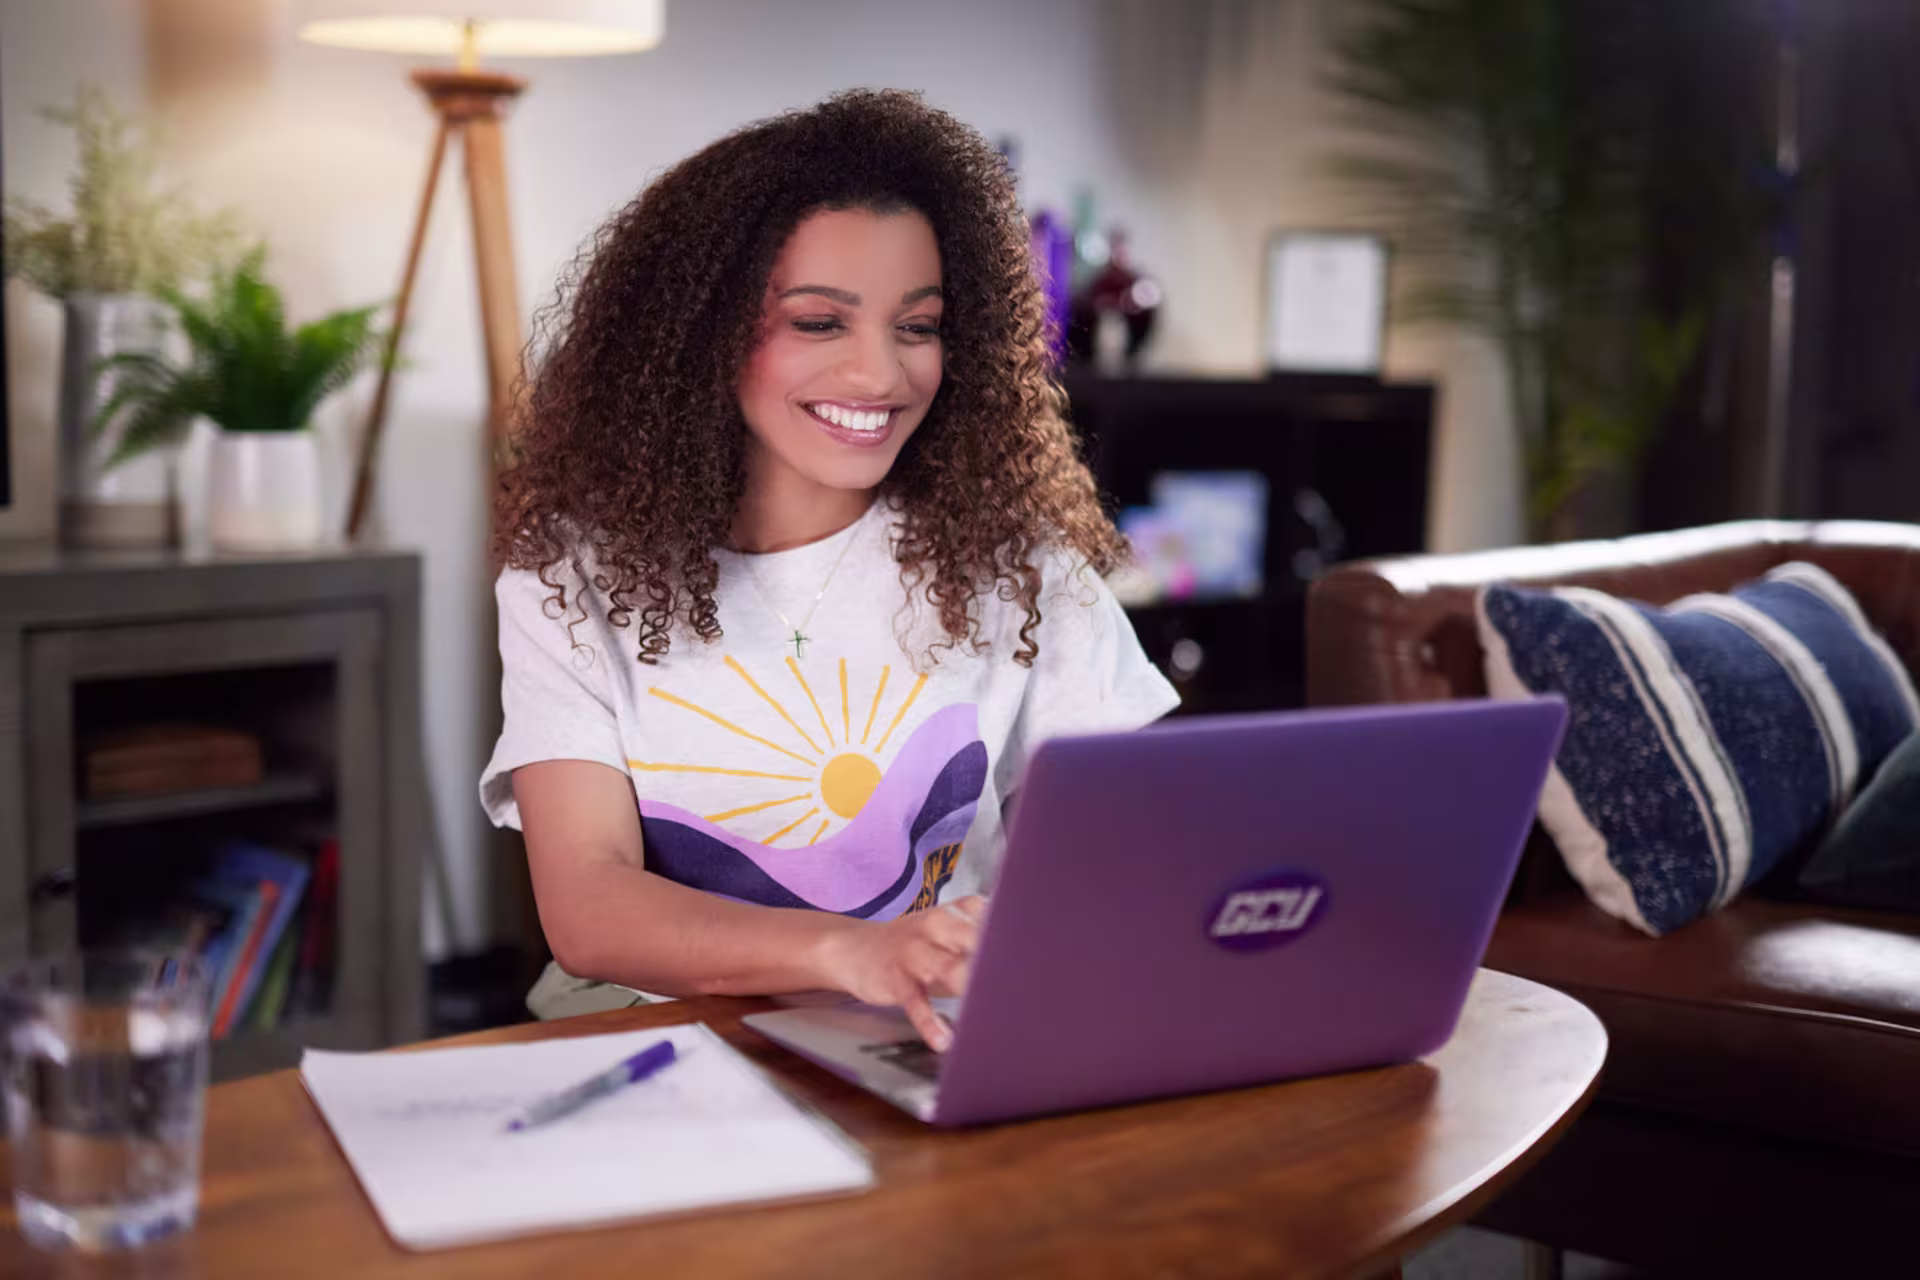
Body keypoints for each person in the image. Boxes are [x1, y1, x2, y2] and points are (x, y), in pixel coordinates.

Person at [480, 89, 1178, 1048]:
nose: (881, 376)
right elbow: (590, 908)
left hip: (927, 1041)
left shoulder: (1019, 563)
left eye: (918, 326)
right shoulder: (572, 574)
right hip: (651, 1039)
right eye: (819, 322)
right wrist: (851, 952)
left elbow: (1137, 844)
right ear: (701, 335)